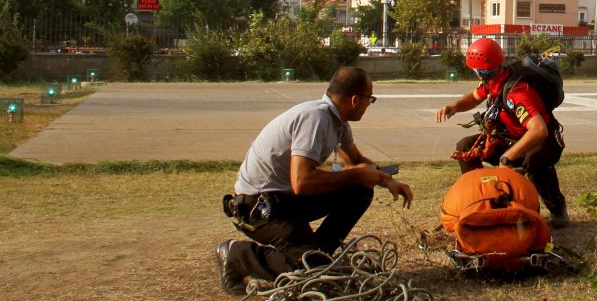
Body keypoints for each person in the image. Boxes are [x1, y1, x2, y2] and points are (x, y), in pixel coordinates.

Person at [214, 67, 413, 295]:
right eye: (371, 99)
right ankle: (237, 254)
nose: (370, 104)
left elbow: (356, 160)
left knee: (359, 190)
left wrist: (386, 180)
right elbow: (302, 181)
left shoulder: (337, 122)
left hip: (285, 199)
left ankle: (318, 253)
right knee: (314, 271)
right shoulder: (315, 119)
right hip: (260, 206)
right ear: (356, 99)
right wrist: (359, 174)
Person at [435, 38, 569, 228]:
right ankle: (482, 199)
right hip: (511, 137)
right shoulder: (494, 80)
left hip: (542, 140)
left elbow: (539, 130)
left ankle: (555, 208)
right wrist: (454, 106)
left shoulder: (517, 92)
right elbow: (474, 97)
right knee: (465, 148)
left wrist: (507, 158)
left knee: (533, 161)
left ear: (480, 71)